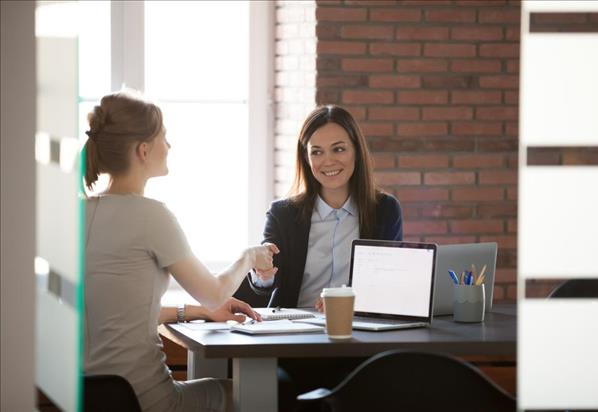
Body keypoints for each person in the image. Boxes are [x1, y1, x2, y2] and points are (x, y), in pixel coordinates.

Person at [83, 91, 279, 412]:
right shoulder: (151, 215)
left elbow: (119, 313)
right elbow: (214, 294)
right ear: (143, 150)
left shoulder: (76, 212)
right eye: (164, 137)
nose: (169, 146)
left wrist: (198, 312)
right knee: (251, 393)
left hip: (94, 399)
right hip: (148, 401)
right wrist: (249, 257)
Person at [240, 104, 403, 310]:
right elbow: (266, 284)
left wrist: (344, 300)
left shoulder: (385, 210)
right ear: (306, 158)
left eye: (339, 149)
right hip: (295, 328)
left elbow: (388, 283)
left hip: (360, 327)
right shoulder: (283, 214)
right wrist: (262, 274)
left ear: (356, 151)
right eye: (316, 152)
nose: (328, 161)